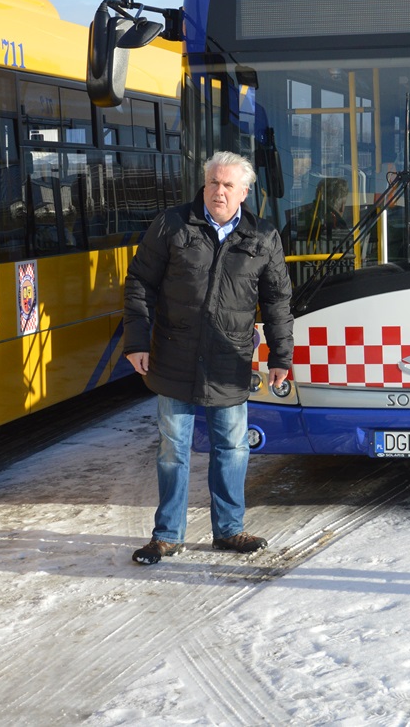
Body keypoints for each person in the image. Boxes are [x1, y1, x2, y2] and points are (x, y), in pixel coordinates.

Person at [123, 151, 294, 564]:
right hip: (173, 357)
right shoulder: (172, 225)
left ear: (245, 192)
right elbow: (139, 284)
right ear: (204, 184)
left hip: (229, 361)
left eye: (228, 185)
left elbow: (277, 301)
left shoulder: (263, 237)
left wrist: (280, 356)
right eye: (213, 182)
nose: (218, 191)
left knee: (232, 448)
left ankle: (230, 530)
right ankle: (167, 535)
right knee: (172, 450)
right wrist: (137, 342)